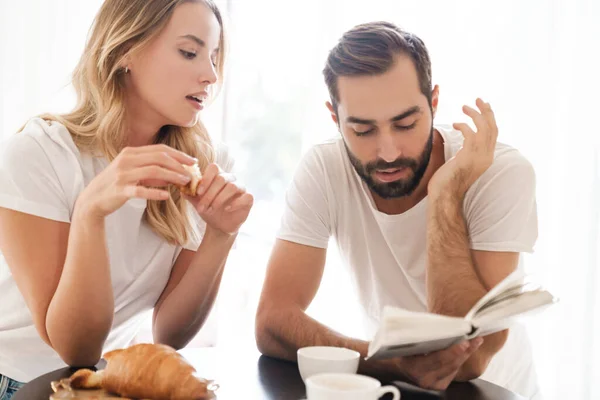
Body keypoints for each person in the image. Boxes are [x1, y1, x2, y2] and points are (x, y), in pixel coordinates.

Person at [255, 21, 540, 399]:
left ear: (434, 103)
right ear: (334, 117)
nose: (388, 152)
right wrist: (388, 363)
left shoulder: (498, 172)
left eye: (406, 124)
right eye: (362, 131)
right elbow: (272, 322)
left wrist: (445, 194)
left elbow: (469, 362)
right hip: (400, 388)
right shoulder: (326, 167)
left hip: (491, 391)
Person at [0, 1, 253, 398]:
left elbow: (171, 333)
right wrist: (90, 212)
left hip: (110, 383)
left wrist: (221, 235)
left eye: (215, 57)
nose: (211, 74)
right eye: (190, 52)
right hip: (18, 384)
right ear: (124, 52)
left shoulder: (204, 164)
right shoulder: (39, 153)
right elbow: (74, 348)